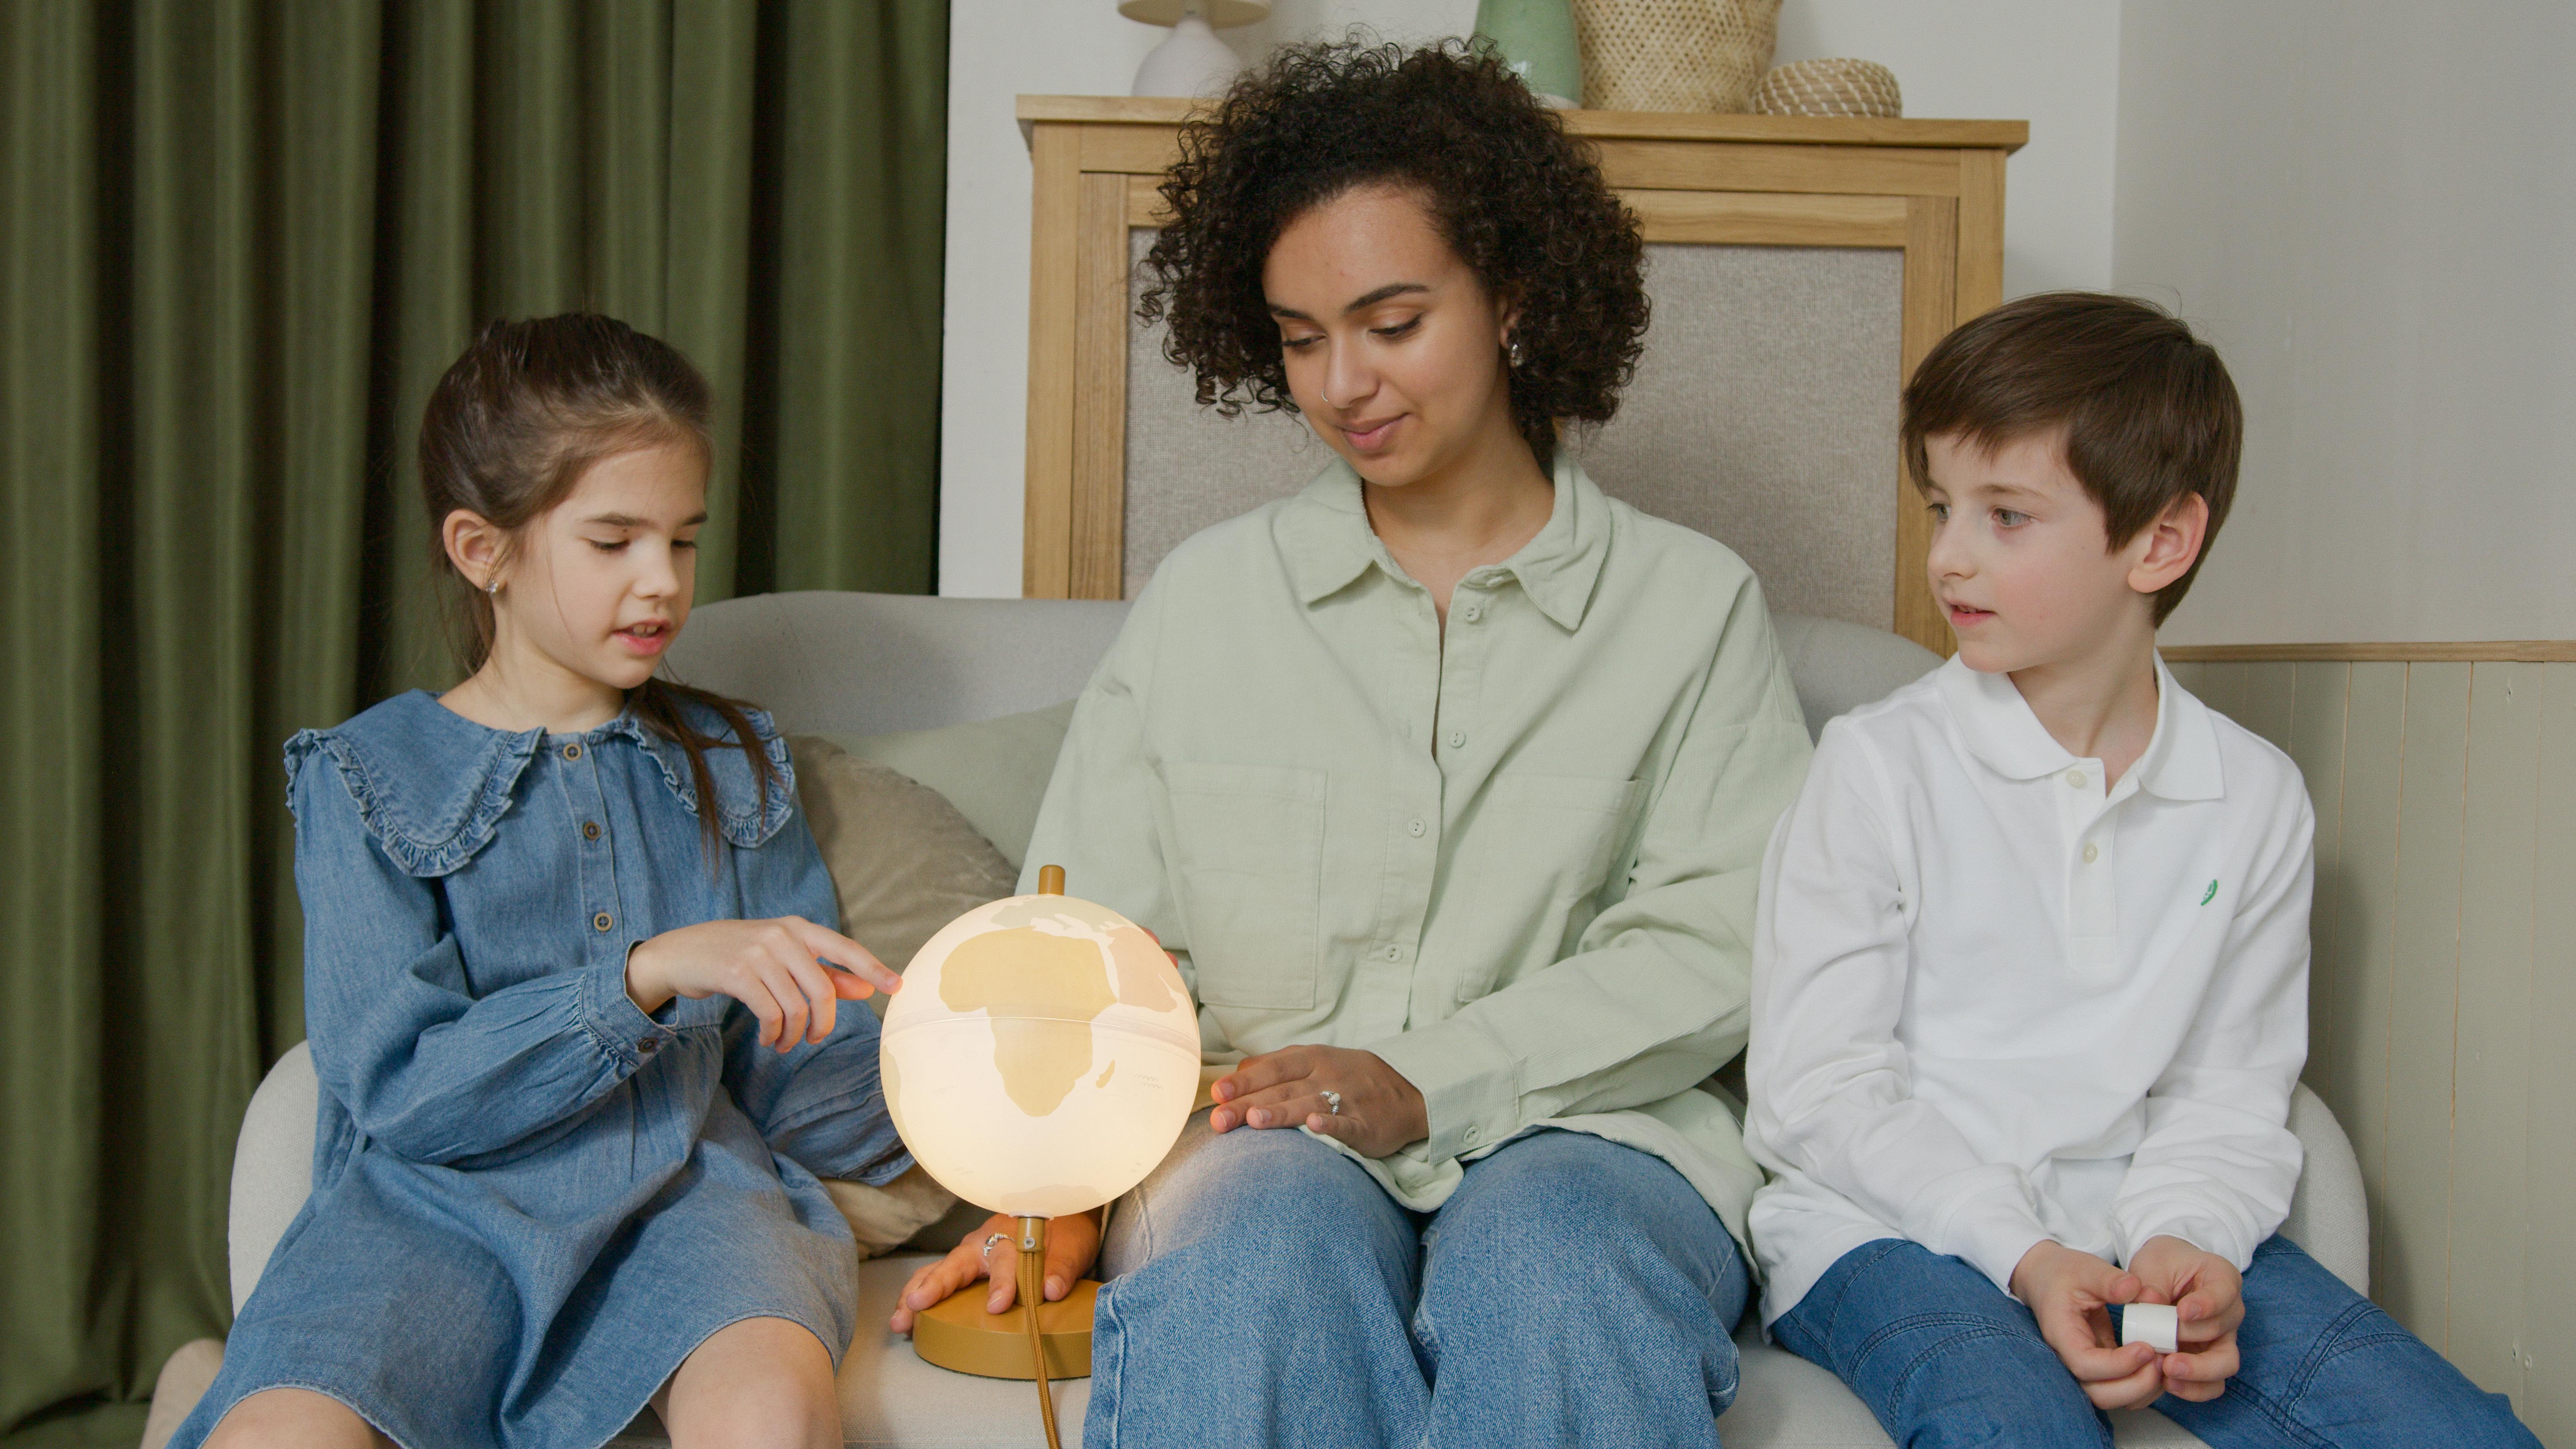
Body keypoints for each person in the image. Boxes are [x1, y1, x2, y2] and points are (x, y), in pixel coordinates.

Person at [888, 41, 1812, 1449]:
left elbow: (1715, 949)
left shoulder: (1691, 610)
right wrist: (1056, 1197)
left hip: (1602, 1143)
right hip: (1264, 1145)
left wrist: (1431, 1078)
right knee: (1249, 1261)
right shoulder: (1207, 606)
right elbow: (1093, 949)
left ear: (1511, 297)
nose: (1342, 385)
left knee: (1555, 1270)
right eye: (1300, 336)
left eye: (1391, 322)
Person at [1743, 292, 2540, 1447]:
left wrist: (2189, 1241)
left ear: (2159, 540)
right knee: (2018, 1429)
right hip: (1884, 1233)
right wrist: (2028, 1256)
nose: (1949, 556)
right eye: (1941, 506)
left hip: (2131, 1230)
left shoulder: (2256, 797)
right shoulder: (1875, 767)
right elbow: (1820, 1092)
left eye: (2006, 515)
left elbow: (2229, 1094)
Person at [174, 315, 910, 1449]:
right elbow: (404, 1088)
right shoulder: (362, 776)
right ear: (485, 550)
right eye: (613, 541)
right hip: (430, 1207)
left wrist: (960, 1044)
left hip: (690, 1195)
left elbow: (796, 1082)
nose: (663, 583)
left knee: (770, 1417)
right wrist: (649, 974)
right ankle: (199, 1392)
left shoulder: (733, 759)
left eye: (683, 539)